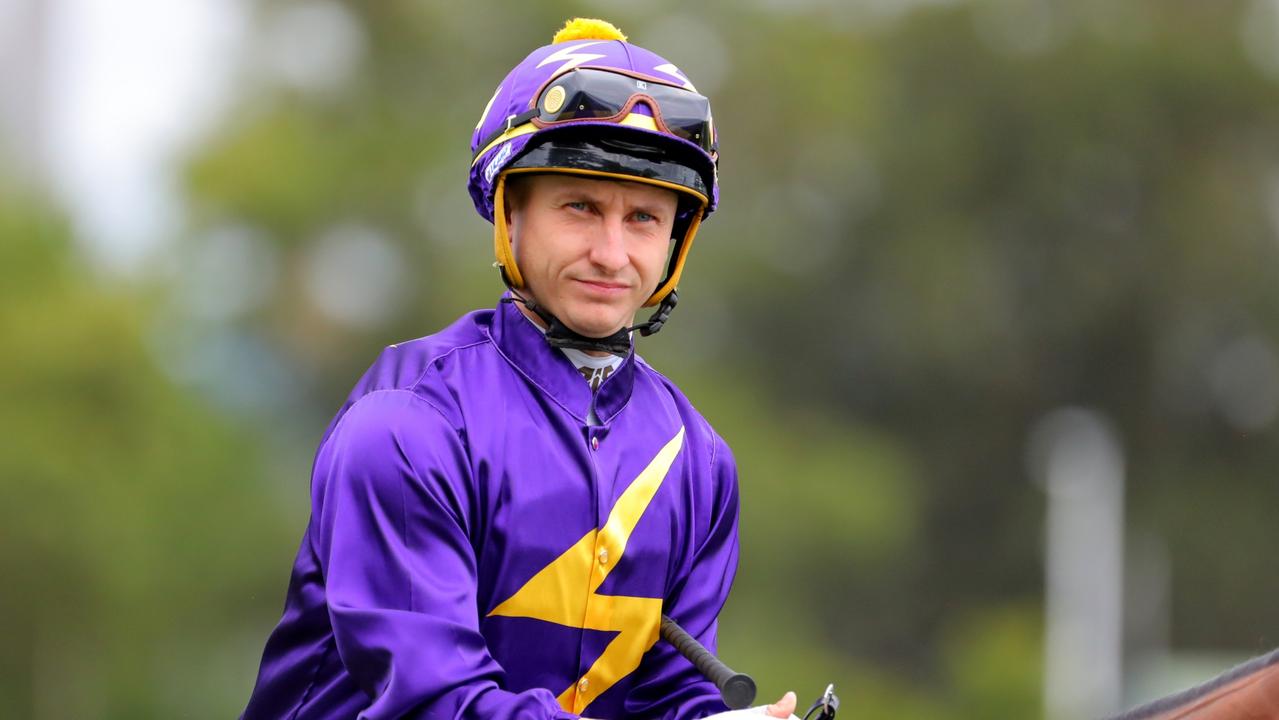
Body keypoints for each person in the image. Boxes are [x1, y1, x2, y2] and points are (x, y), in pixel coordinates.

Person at [242, 17, 799, 720]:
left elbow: (666, 696)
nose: (610, 252)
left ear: (675, 242)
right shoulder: (406, 428)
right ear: (511, 215)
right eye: (580, 207)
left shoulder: (699, 463)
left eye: (644, 220)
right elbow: (436, 703)